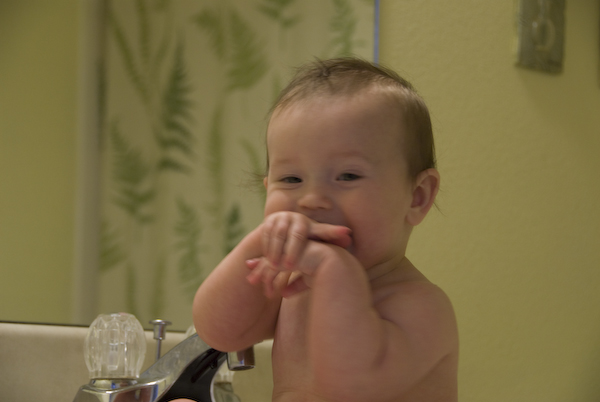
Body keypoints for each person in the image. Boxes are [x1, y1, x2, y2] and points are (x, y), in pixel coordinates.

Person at [192, 57, 458, 402]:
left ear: (417, 197)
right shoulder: (294, 286)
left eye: (347, 176)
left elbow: (349, 386)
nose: (312, 200)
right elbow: (220, 333)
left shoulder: (421, 307)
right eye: (291, 179)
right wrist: (258, 243)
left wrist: (334, 270)